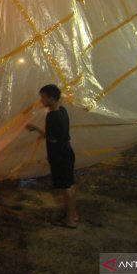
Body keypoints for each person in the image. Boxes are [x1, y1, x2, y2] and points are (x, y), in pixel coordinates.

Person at [26, 84, 78, 229]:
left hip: (59, 155)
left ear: (52, 98)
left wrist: (35, 129)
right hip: (67, 152)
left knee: (66, 187)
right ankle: (72, 215)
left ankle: (70, 221)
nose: (41, 100)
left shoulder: (52, 116)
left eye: (43, 97)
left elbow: (52, 138)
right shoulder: (63, 111)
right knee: (70, 186)